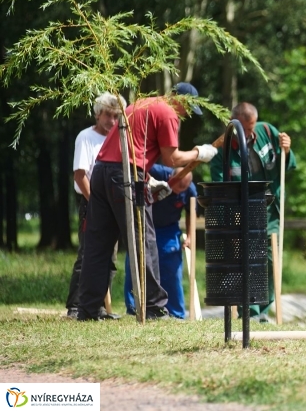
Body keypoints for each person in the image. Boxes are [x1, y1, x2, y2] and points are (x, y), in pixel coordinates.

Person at [76, 82, 218, 321]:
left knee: (98, 243)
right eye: (187, 109)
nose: (185, 115)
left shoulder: (141, 104)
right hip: (125, 176)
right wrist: (199, 153)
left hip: (100, 173)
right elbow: (172, 159)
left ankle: (88, 309)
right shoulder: (168, 112)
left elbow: (131, 148)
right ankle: (153, 306)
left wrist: (149, 180)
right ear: (180, 100)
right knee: (144, 240)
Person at [210, 102, 296, 322]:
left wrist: (287, 149)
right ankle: (249, 311)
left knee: (271, 259)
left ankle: (263, 310)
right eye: (245, 128)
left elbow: (285, 164)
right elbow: (220, 188)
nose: (249, 133)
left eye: (252, 127)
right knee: (247, 260)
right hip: (241, 212)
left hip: (270, 209)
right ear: (234, 123)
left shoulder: (267, 131)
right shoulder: (222, 150)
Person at [65, 93, 127, 319]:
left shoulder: (120, 138)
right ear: (98, 114)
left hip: (113, 203)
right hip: (92, 202)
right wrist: (96, 204)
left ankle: (97, 306)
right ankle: (76, 306)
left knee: (109, 258)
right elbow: (80, 175)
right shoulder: (86, 137)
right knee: (88, 255)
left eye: (117, 116)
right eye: (108, 115)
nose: (112, 120)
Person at [124, 164, 197, 319]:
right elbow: (138, 168)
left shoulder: (190, 190)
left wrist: (190, 237)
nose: (179, 191)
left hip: (169, 230)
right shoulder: (157, 171)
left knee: (172, 268)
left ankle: (176, 313)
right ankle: (133, 308)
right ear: (171, 177)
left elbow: (191, 213)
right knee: (136, 262)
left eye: (183, 188)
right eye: (178, 186)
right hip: (145, 224)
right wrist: (149, 180)